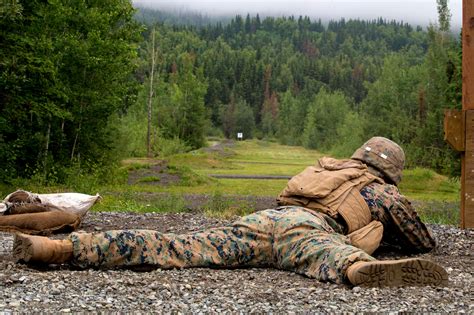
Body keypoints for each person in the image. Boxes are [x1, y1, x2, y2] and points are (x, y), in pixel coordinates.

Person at [12, 137, 448, 287]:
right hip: (307, 228)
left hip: (266, 219)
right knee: (322, 252)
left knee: (178, 245)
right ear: (392, 170)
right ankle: (357, 271)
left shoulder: (326, 168)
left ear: (358, 155)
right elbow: (422, 242)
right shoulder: (381, 192)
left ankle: (59, 249)